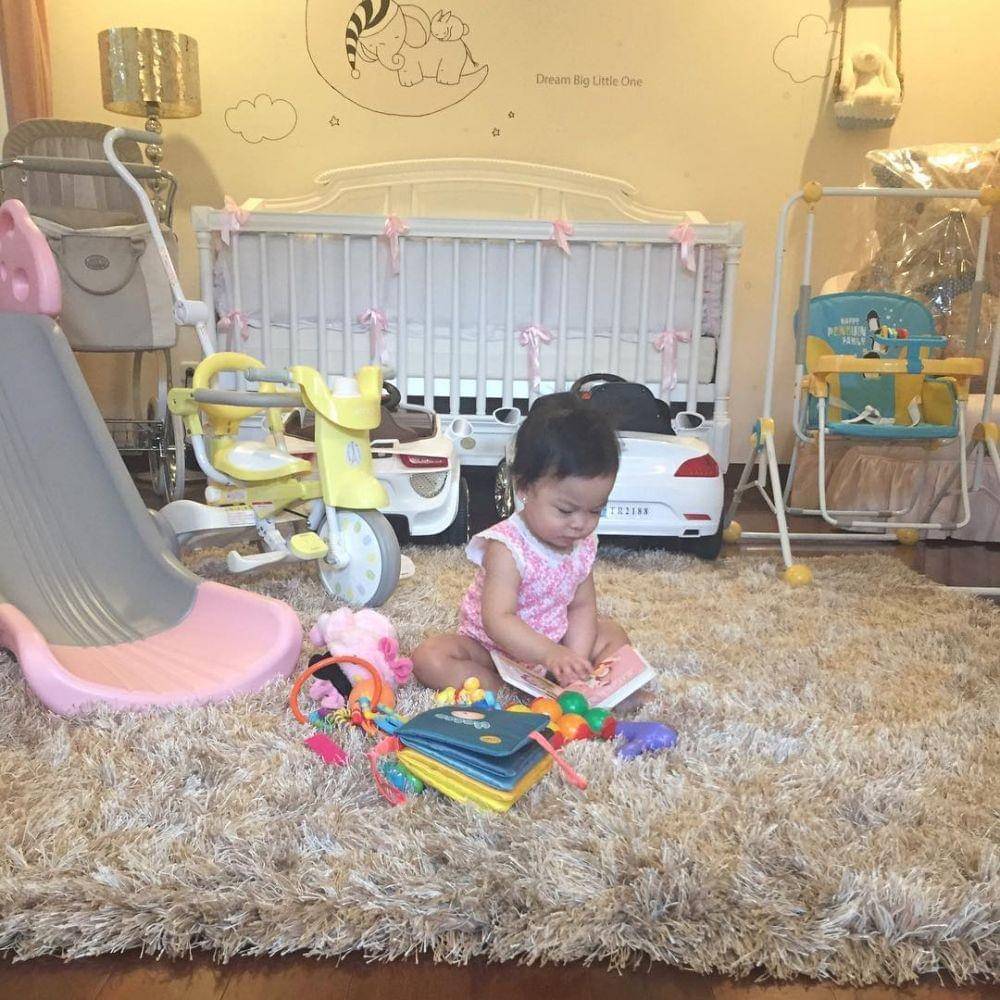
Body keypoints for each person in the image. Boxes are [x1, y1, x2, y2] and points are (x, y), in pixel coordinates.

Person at [412, 393, 628, 692]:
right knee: (430, 657)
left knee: (613, 635)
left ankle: (587, 688)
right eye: (565, 510)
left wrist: (573, 662)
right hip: (493, 652)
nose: (580, 523)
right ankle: (504, 691)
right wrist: (549, 653)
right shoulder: (507, 547)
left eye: (595, 511)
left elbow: (581, 607)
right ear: (524, 486)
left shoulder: (583, 544)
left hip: (556, 647)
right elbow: (498, 619)